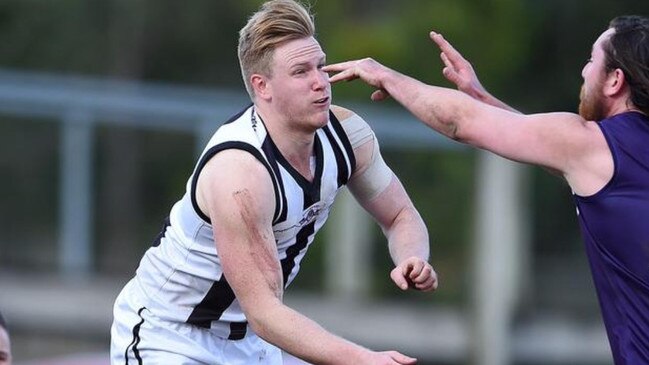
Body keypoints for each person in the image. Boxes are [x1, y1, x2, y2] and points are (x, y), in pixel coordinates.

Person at [110, 1, 438, 364]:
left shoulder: (350, 136)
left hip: (251, 338)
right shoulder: (240, 174)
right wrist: (363, 359)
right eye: (301, 72)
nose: (320, 82)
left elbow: (399, 215)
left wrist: (412, 257)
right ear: (262, 86)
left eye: (320, 65)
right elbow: (265, 312)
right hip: (171, 334)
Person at [324, 15, 649, 364]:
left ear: (615, 80)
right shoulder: (606, 152)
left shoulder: (592, 145)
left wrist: (388, 76)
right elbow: (541, 142)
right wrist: (480, 96)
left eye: (591, 60)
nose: (584, 72)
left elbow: (459, 122)